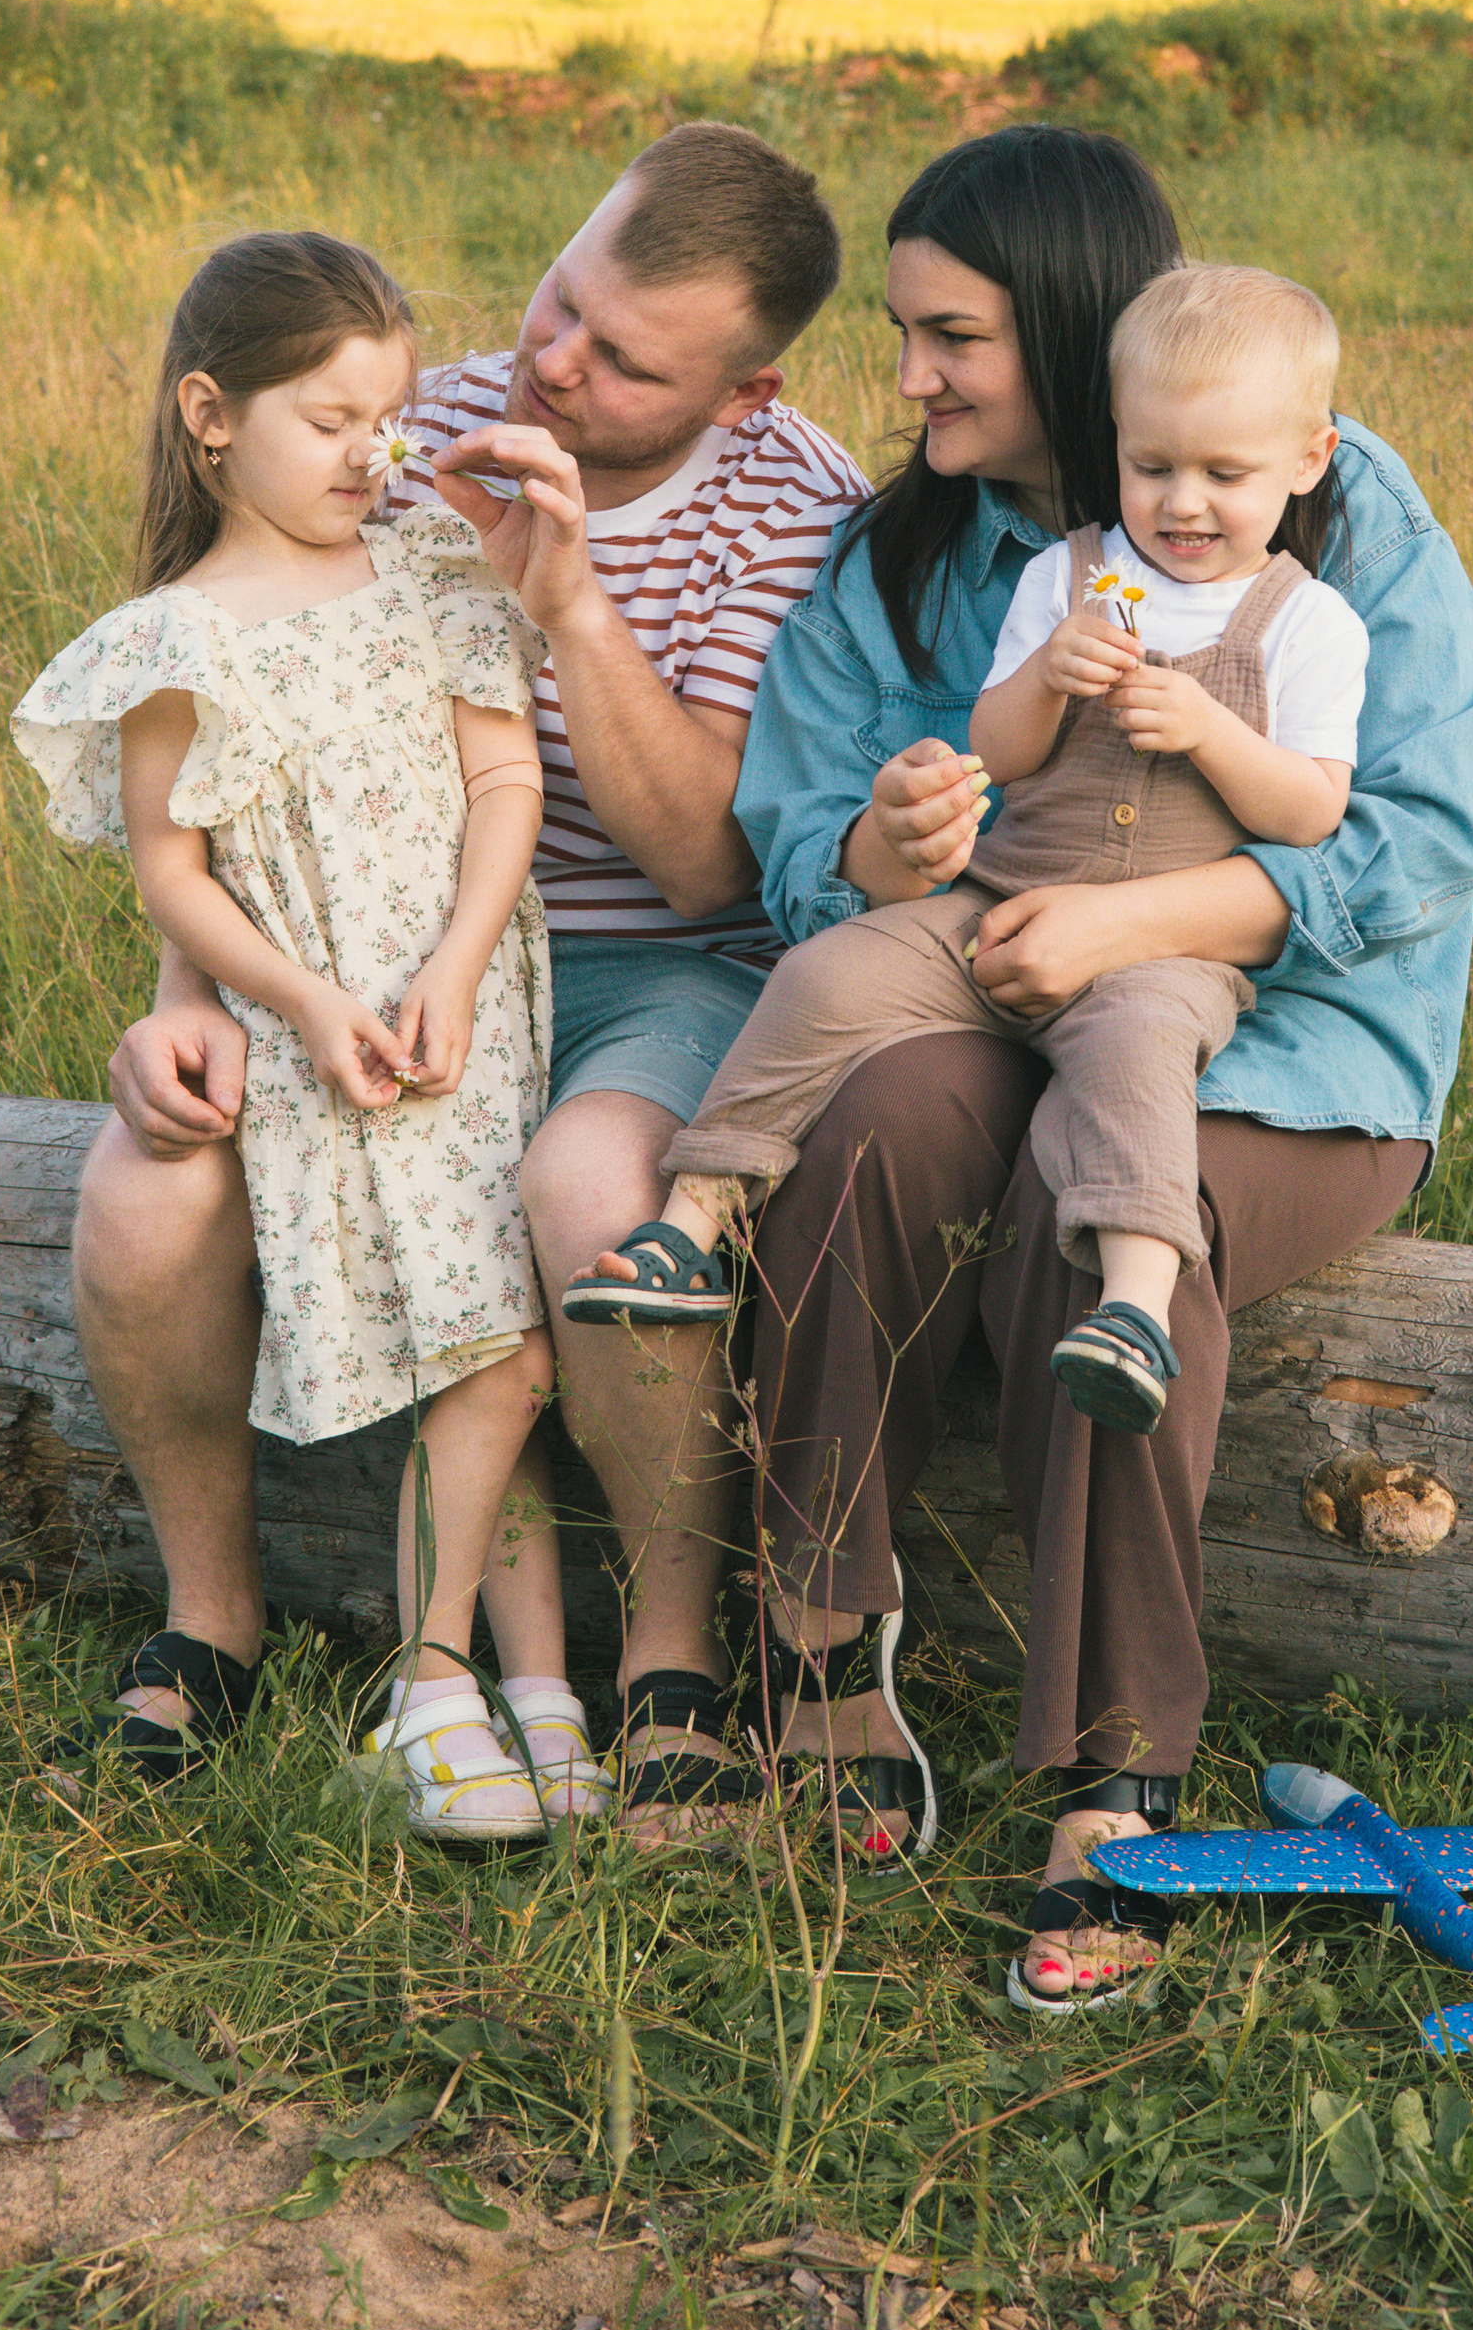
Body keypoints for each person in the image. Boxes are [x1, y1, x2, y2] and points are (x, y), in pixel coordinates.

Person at [716, 122, 1473, 2008]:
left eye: (950, 337)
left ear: (1067, 327)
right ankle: (817, 1636)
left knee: (1104, 1208)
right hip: (1002, 988)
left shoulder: (1326, 504)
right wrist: (883, 848)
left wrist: (1139, 928)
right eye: (908, 335)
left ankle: (1113, 1775)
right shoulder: (930, 544)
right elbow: (799, 826)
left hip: (1295, 1055)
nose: (909, 379)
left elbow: (1412, 845)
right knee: (882, 1116)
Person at [74, 124, 866, 1821]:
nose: (554, 362)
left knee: (588, 1199)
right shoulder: (411, 419)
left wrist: (572, 610)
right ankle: (214, 1616)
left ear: (745, 391)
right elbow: (232, 728)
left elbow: (715, 869)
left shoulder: (795, 507)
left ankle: (663, 1660)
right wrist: (188, 997)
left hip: (658, 969)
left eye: (625, 358)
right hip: (367, 960)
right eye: (560, 297)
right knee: (145, 1196)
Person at [568, 261, 1369, 1449]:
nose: (1183, 504)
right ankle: (695, 1214)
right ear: (1115, 449)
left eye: (1222, 475)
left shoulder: (1306, 621)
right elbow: (998, 749)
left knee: (1140, 1062)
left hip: (1165, 944)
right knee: (830, 975)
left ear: (1306, 462)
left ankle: (1135, 1305)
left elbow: (1310, 811)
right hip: (1002, 894)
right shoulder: (1079, 575)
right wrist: (1046, 678)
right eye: (1152, 468)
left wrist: (1209, 732)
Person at [13, 231, 604, 1833]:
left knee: (505, 1352)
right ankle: (435, 1695)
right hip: (322, 1043)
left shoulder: (428, 571)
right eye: (331, 419)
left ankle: (527, 1698)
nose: (376, 451)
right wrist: (310, 1001)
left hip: (467, 1016)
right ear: (211, 414)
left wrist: (461, 968)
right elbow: (172, 872)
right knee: (481, 1354)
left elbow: (505, 784)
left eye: (390, 415)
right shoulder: (174, 638)